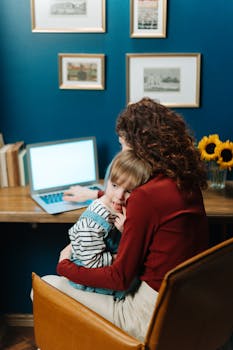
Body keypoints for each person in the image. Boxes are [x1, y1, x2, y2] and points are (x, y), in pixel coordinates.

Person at [37, 97, 209, 341]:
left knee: (45, 286)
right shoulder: (183, 180)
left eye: (124, 145)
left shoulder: (145, 197)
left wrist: (65, 266)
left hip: (146, 316)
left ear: (141, 146)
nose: (122, 153)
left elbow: (119, 279)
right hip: (183, 306)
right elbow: (154, 209)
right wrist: (97, 194)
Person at [67, 149, 152, 299]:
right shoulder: (93, 221)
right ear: (107, 182)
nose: (119, 196)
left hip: (110, 273)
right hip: (90, 281)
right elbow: (92, 263)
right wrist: (118, 256)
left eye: (129, 191)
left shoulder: (124, 211)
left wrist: (126, 231)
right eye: (114, 185)